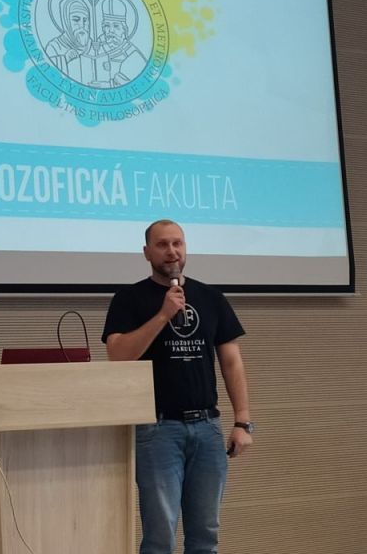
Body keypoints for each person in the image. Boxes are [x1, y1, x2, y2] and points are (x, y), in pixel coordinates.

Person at [102, 219, 253, 554]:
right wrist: (163, 315)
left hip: (207, 427)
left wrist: (242, 421)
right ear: (146, 252)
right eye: (162, 245)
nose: (171, 251)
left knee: (206, 535)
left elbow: (232, 362)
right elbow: (118, 355)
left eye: (177, 243)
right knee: (160, 537)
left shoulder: (211, 297)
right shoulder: (129, 298)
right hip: (157, 429)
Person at [97, 0, 147, 87]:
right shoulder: (97, 46)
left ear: (124, 29)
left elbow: (141, 84)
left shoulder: (132, 53)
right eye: (107, 25)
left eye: (116, 26)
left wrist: (108, 85)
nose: (111, 30)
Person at [45, 0, 93, 82]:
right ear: (65, 20)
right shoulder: (54, 47)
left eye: (85, 20)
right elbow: (47, 73)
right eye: (76, 20)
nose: (82, 25)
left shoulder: (92, 46)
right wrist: (65, 59)